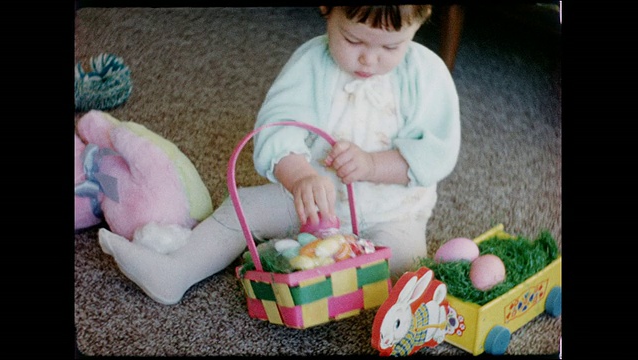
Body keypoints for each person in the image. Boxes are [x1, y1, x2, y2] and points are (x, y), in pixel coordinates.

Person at [98, 5, 461, 305]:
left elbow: (435, 152)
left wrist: (372, 165)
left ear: (418, 24)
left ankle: (324, 273)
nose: (369, 58)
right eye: (353, 39)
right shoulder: (311, 65)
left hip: (391, 212)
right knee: (243, 208)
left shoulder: (428, 76)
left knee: (404, 275)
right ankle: (176, 270)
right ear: (327, 11)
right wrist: (299, 174)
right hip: (312, 204)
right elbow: (277, 129)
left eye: (390, 48)